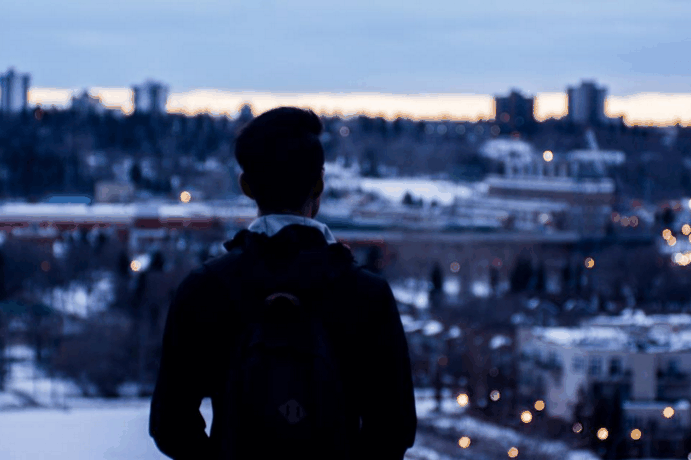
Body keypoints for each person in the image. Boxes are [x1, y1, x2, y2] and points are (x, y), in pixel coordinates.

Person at [149, 107, 417, 459]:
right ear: (319, 184)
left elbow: (170, 424)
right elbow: (393, 428)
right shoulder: (367, 295)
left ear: (246, 186)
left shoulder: (205, 289)